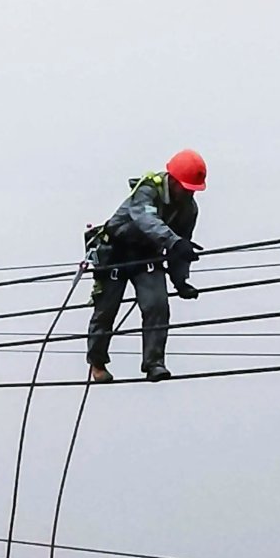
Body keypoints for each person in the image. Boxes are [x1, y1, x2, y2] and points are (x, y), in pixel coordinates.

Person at [84, 149, 206, 383]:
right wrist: (174, 242)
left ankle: (154, 363)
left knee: (157, 305)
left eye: (193, 190)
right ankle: (97, 363)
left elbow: (181, 248)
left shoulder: (189, 209)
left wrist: (181, 281)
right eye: (186, 188)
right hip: (116, 252)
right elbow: (146, 220)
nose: (189, 193)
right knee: (106, 310)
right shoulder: (147, 190)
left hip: (147, 255)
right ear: (173, 180)